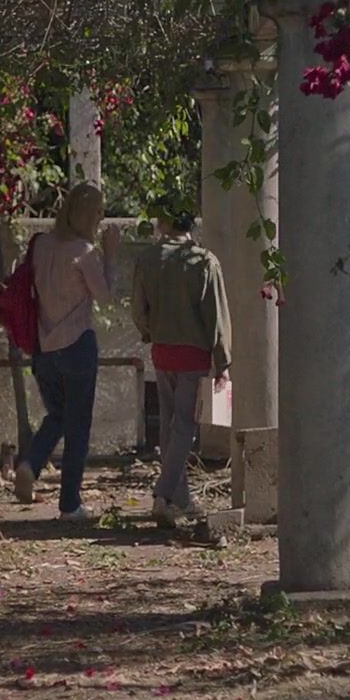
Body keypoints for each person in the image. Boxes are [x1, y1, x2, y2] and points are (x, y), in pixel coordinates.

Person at [15, 182, 122, 520]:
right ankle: (70, 504)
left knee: (58, 416)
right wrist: (112, 254)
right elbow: (105, 296)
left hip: (44, 347)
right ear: (93, 216)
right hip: (77, 345)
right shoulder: (84, 252)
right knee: (77, 426)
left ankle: (31, 463)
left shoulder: (42, 244)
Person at [130, 206, 230, 524]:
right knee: (186, 427)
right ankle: (163, 493)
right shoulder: (204, 261)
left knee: (168, 424)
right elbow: (217, 315)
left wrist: (149, 332)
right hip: (193, 354)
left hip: (162, 352)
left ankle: (181, 499)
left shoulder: (147, 259)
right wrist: (222, 360)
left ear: (162, 222)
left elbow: (138, 309)